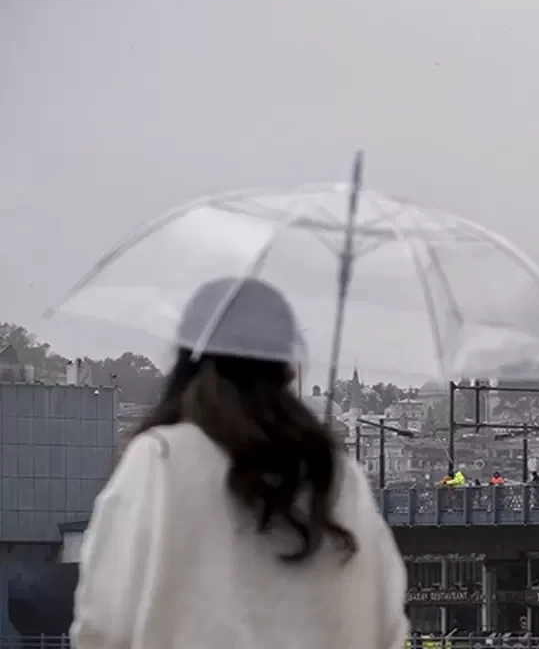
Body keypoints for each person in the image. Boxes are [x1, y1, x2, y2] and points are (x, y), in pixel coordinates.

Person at [71, 277, 408, 649]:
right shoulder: (339, 478)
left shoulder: (160, 460)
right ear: (286, 367)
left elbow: (103, 621)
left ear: (188, 360)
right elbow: (387, 625)